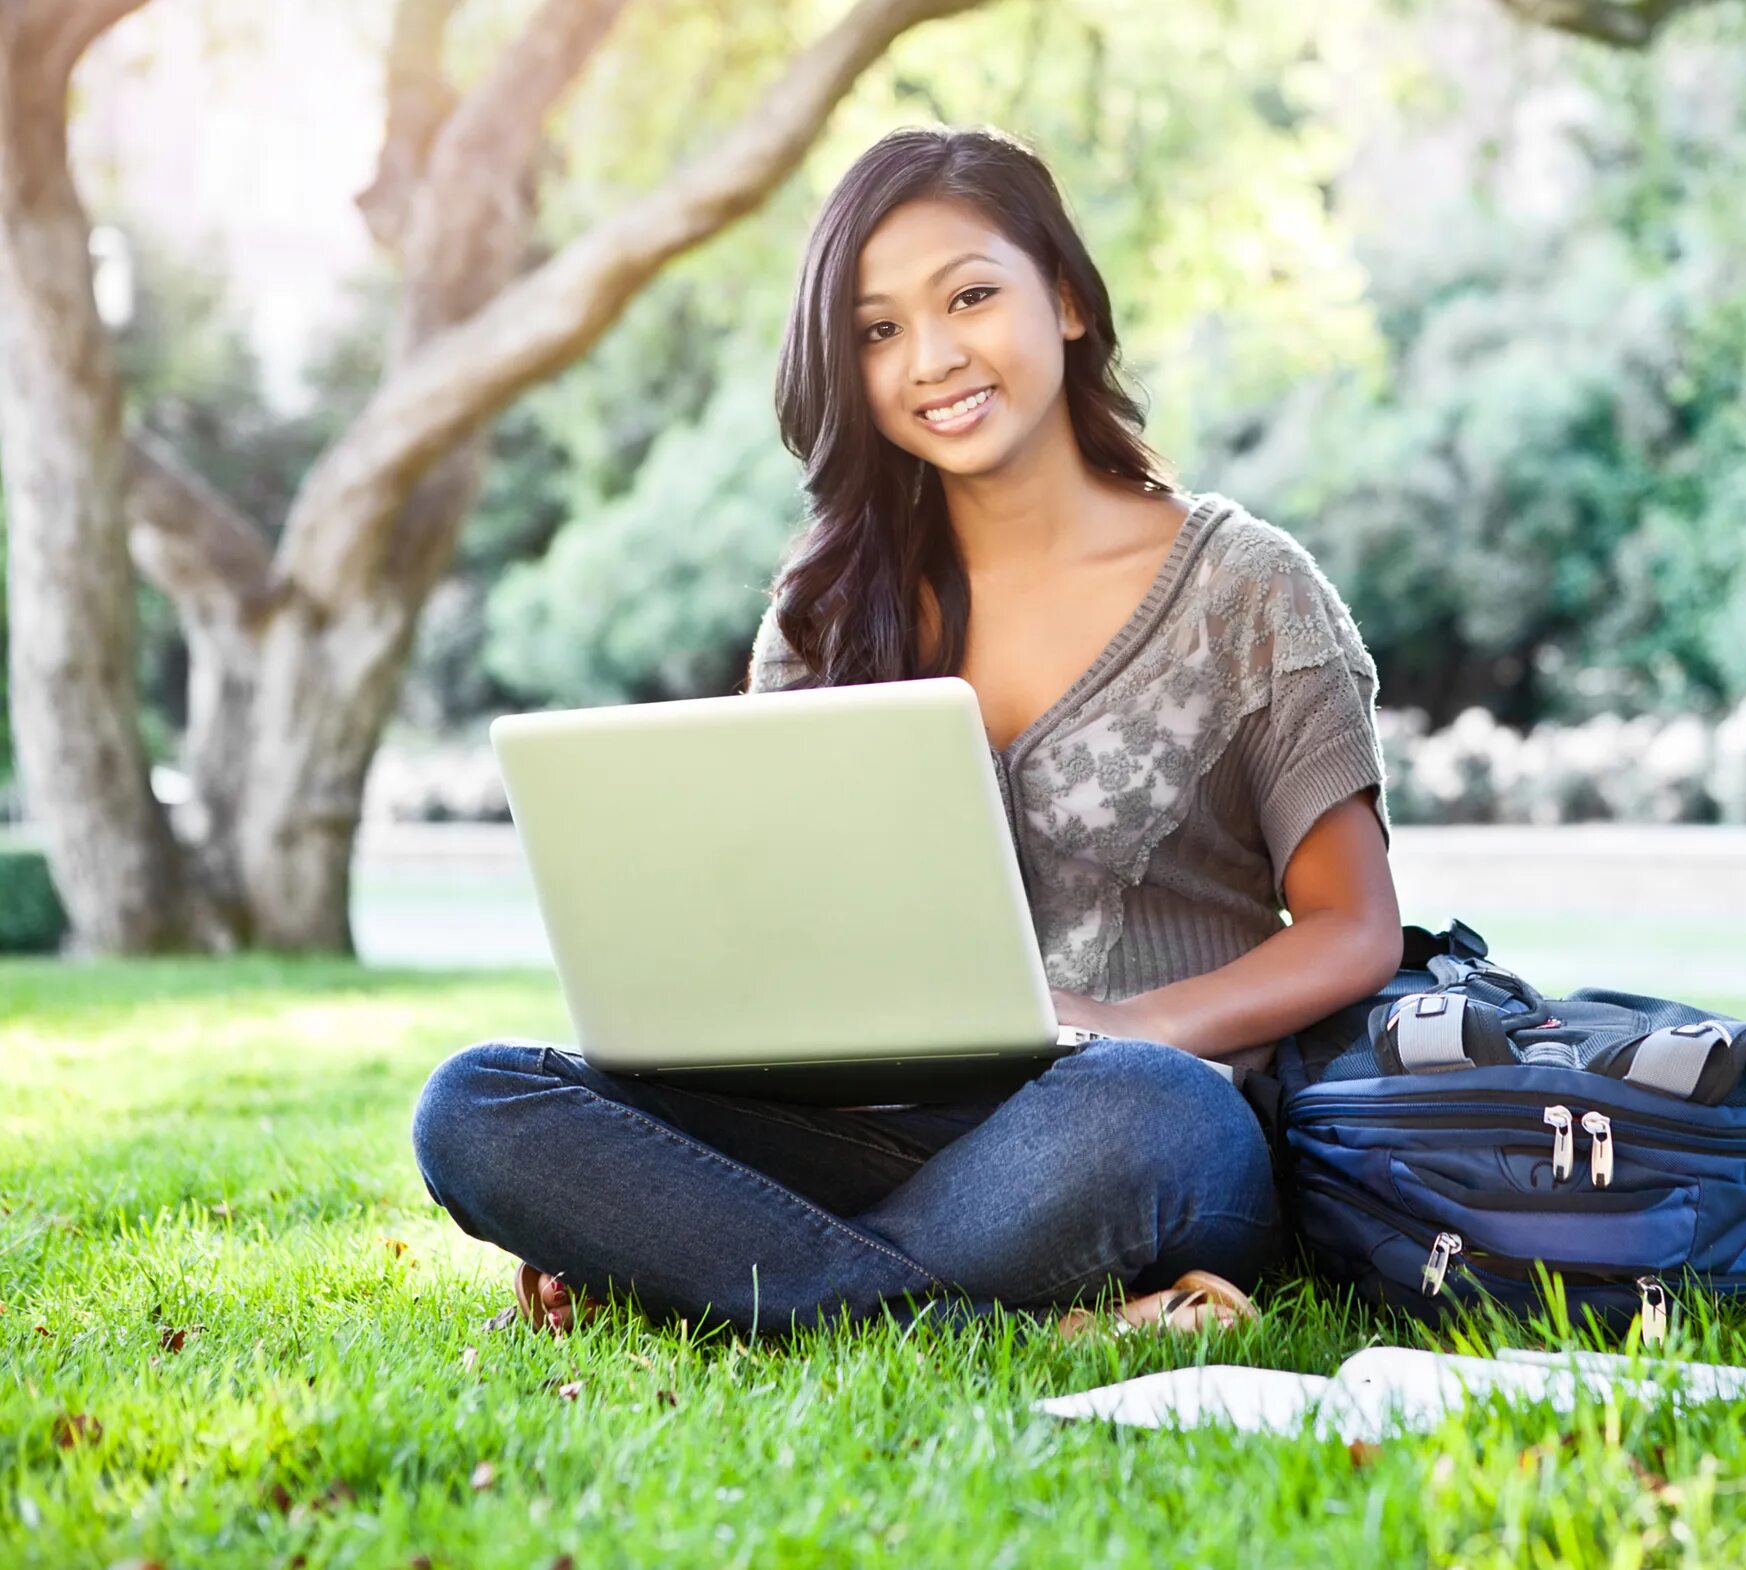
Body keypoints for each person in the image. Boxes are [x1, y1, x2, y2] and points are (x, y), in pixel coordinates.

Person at [409, 125, 1403, 1341]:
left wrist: (1137, 1021)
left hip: (1119, 1128)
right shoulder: (823, 610)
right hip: (856, 1129)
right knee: (477, 1101)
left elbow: (1355, 928)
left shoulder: (1247, 585)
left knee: (1154, 1113)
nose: (930, 358)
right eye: (876, 331)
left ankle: (712, 1280)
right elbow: (771, 924)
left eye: (970, 296)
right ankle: (998, 1321)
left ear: (1071, 302)